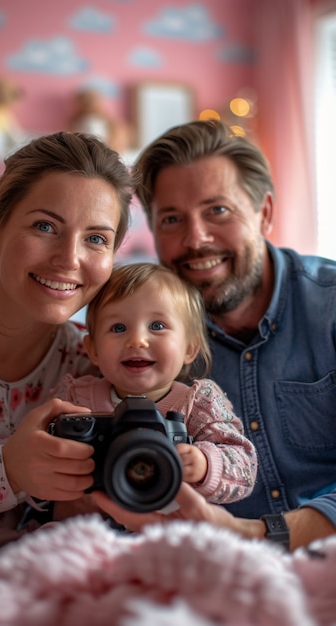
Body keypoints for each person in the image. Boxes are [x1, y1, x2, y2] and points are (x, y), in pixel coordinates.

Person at [94, 119, 336, 551]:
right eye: (172, 219)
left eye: (217, 210)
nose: (196, 239)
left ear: (264, 213)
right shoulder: (140, 346)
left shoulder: (329, 308)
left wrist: (259, 534)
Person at [0, 130, 138, 563]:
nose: (70, 259)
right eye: (45, 226)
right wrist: (7, 472)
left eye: (96, 238)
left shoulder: (100, 369)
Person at [53, 262, 257, 521]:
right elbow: (36, 462)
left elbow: (246, 468)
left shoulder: (197, 403)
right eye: (118, 328)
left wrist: (205, 464)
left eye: (157, 326)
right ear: (92, 349)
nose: (137, 340)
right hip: (87, 529)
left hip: (170, 532)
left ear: (189, 348)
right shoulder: (75, 399)